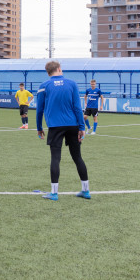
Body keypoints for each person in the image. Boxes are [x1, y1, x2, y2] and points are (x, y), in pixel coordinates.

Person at [36, 61, 90, 201]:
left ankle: (54, 193)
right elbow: (77, 107)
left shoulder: (44, 86)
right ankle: (86, 190)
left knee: (55, 158)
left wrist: (39, 127)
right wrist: (82, 127)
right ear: (59, 69)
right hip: (73, 125)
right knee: (77, 157)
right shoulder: (72, 84)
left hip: (55, 126)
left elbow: (39, 110)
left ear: (48, 73)